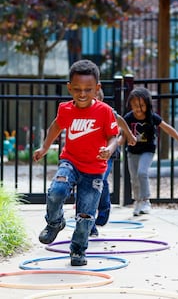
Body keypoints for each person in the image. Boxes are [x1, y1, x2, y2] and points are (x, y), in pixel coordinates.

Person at [33, 59, 119, 266]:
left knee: (86, 215)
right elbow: (55, 126)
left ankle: (78, 250)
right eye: (77, 89)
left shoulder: (104, 111)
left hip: (95, 170)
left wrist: (109, 149)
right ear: (69, 87)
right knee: (56, 191)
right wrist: (45, 147)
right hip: (70, 162)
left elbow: (114, 137)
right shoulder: (66, 109)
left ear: (97, 88)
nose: (82, 94)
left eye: (88, 89)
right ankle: (55, 223)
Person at [119, 87, 178, 216]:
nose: (138, 109)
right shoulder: (128, 118)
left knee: (142, 172)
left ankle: (146, 200)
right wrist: (113, 146)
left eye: (142, 105)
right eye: (135, 105)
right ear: (130, 105)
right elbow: (122, 137)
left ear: (147, 105)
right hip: (132, 151)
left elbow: (168, 128)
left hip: (147, 150)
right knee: (134, 179)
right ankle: (138, 201)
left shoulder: (152, 117)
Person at [90, 88, 136, 237]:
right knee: (90, 183)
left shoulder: (106, 111)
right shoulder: (81, 112)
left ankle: (103, 210)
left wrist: (130, 136)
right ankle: (90, 225)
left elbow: (120, 120)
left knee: (99, 180)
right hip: (89, 155)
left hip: (107, 154)